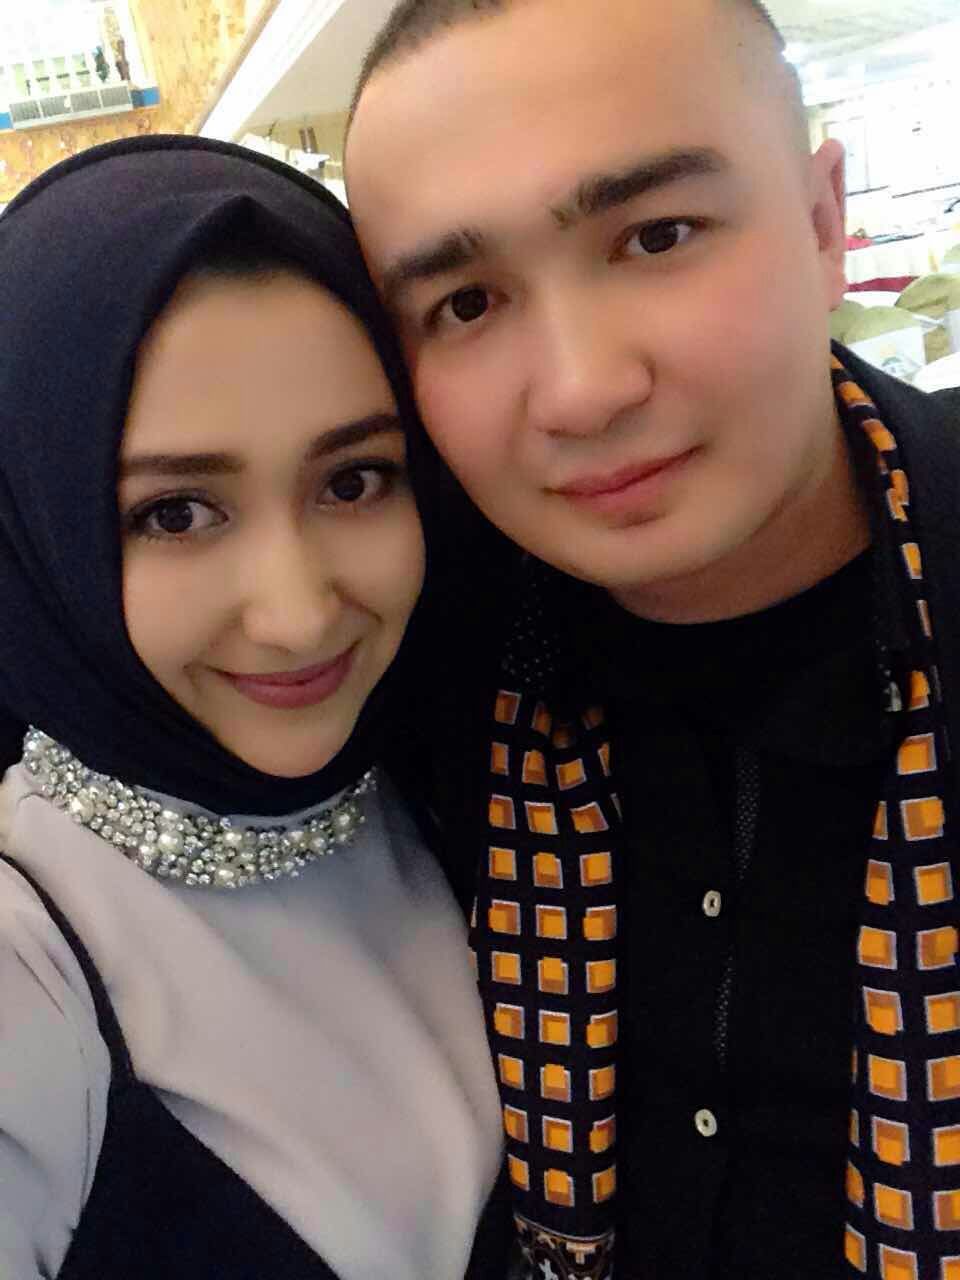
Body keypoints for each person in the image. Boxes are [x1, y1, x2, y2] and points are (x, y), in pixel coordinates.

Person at [344, 2, 960, 1277]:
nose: (582, 390)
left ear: (823, 223)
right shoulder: (398, 675)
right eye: (467, 302)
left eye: (658, 235)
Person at [0, 135, 503, 1280]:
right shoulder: (25, 968)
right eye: (176, 513)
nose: (297, 612)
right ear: (40, 532)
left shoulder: (454, 787)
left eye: (353, 480)